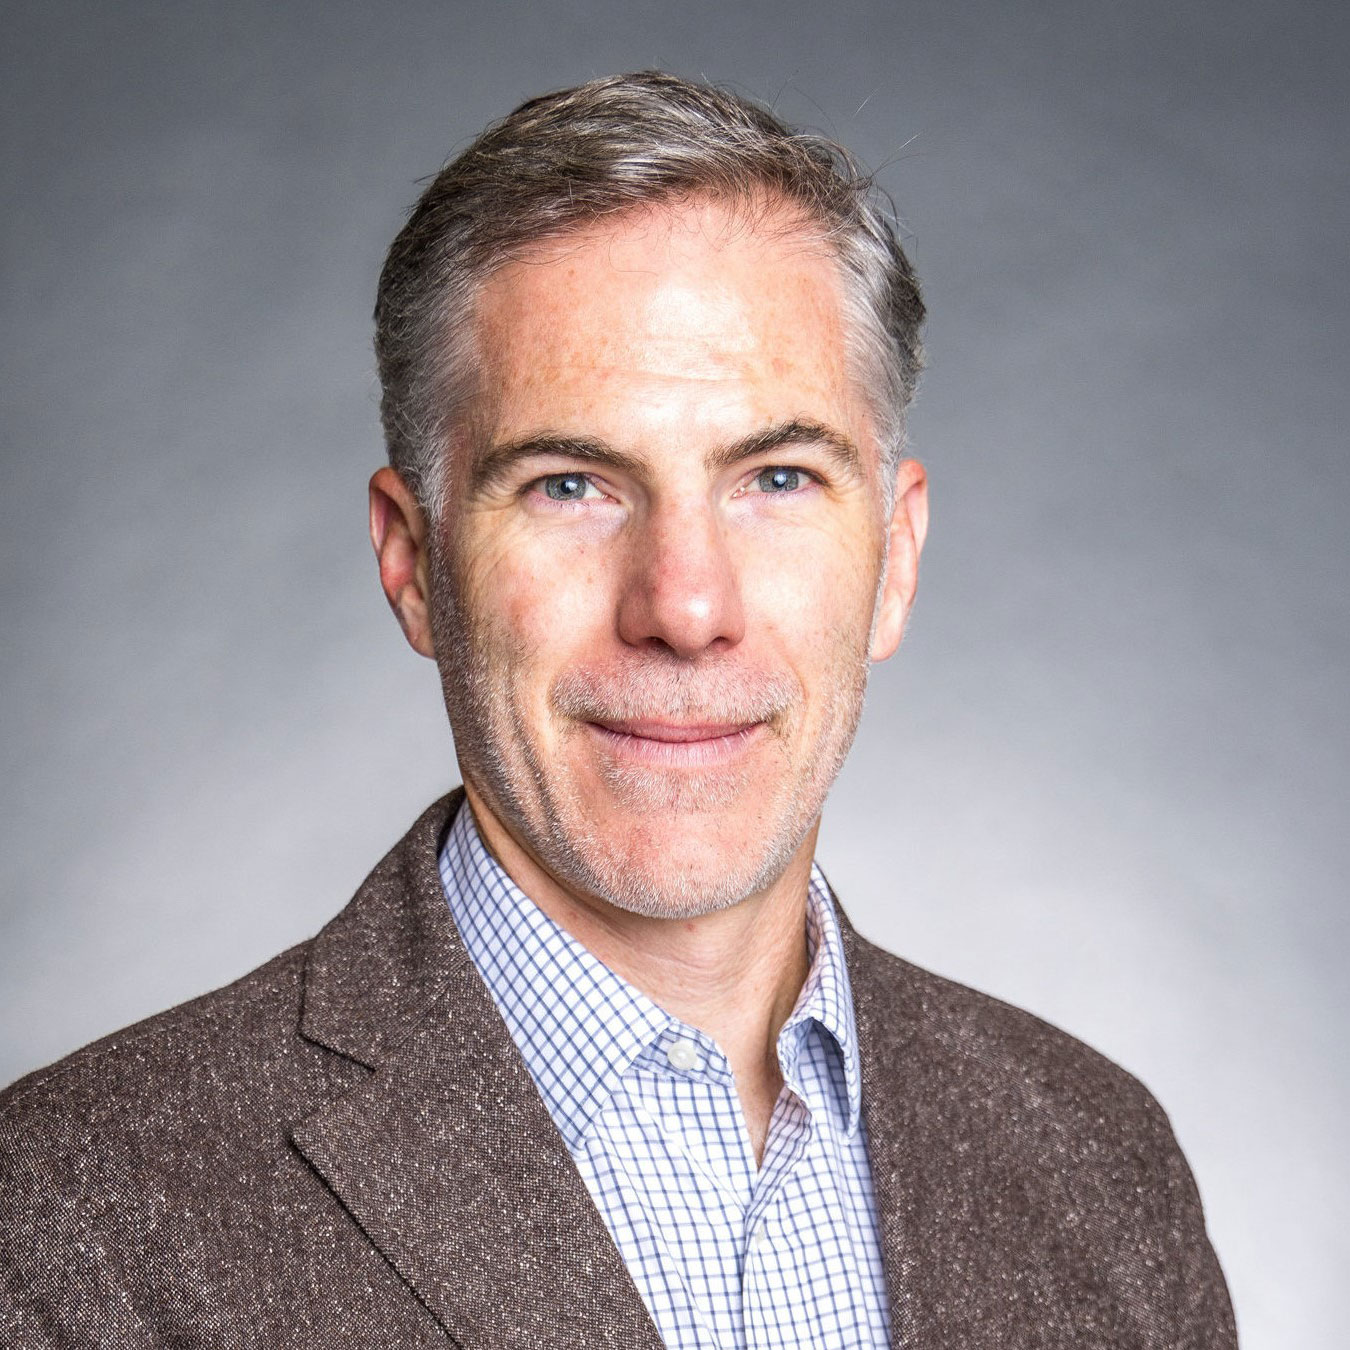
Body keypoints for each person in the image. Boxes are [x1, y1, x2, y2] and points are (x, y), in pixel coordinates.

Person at [0, 71, 1236, 1348]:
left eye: (776, 476)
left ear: (896, 558)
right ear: (413, 563)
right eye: (570, 485)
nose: (686, 605)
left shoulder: (1101, 1165)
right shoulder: (72, 1223)